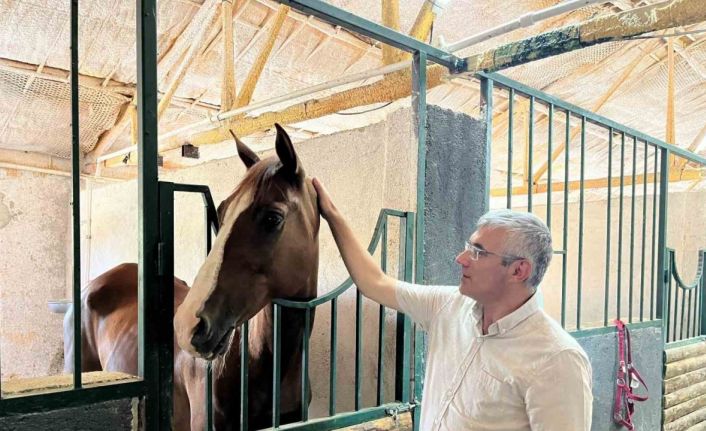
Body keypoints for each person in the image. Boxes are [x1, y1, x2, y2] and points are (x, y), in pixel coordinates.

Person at [312, 177, 593, 431]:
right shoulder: (449, 306)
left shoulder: (557, 359)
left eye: (478, 252)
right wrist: (331, 214)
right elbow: (375, 283)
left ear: (519, 270)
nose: (461, 258)